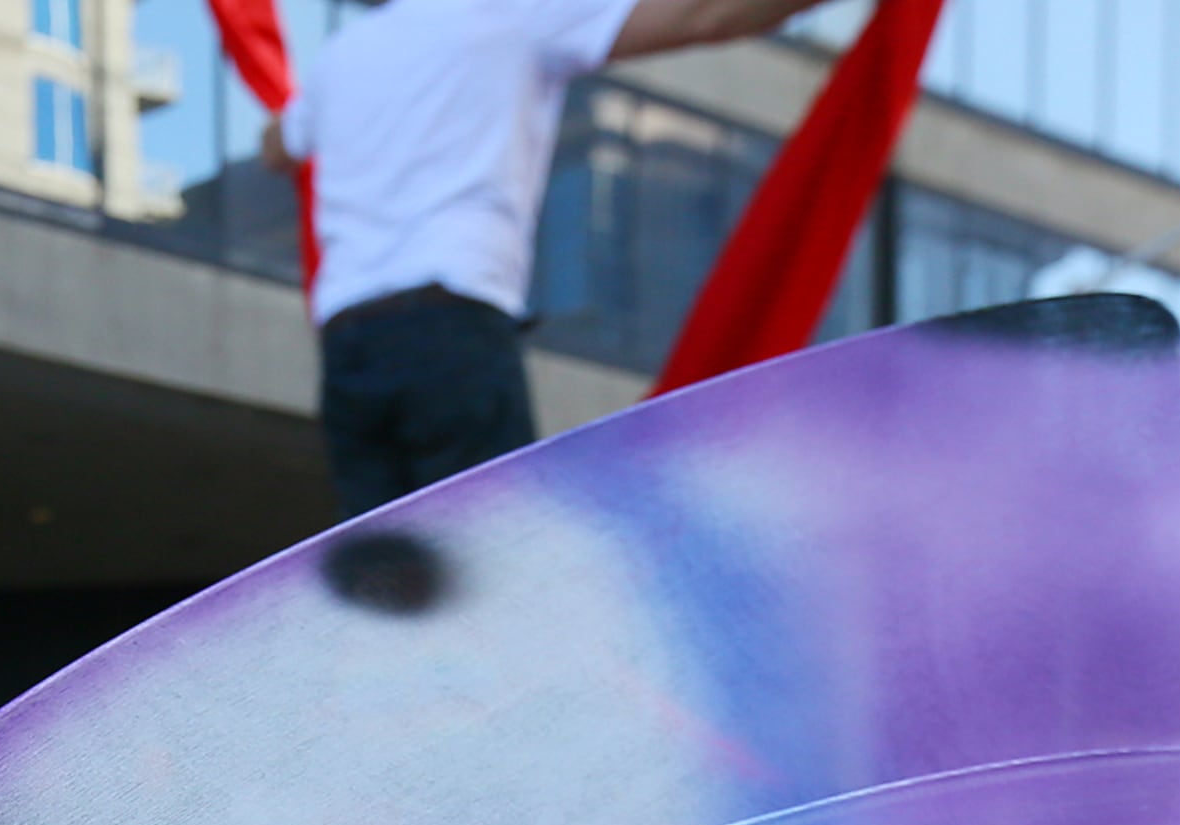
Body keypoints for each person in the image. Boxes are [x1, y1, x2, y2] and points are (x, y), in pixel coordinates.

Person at [268, 0, 827, 516]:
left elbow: (278, 144)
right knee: (494, 564)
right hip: (449, 327)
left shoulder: (341, 56)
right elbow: (707, 14)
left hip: (348, 347)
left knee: (384, 586)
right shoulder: (503, 13)